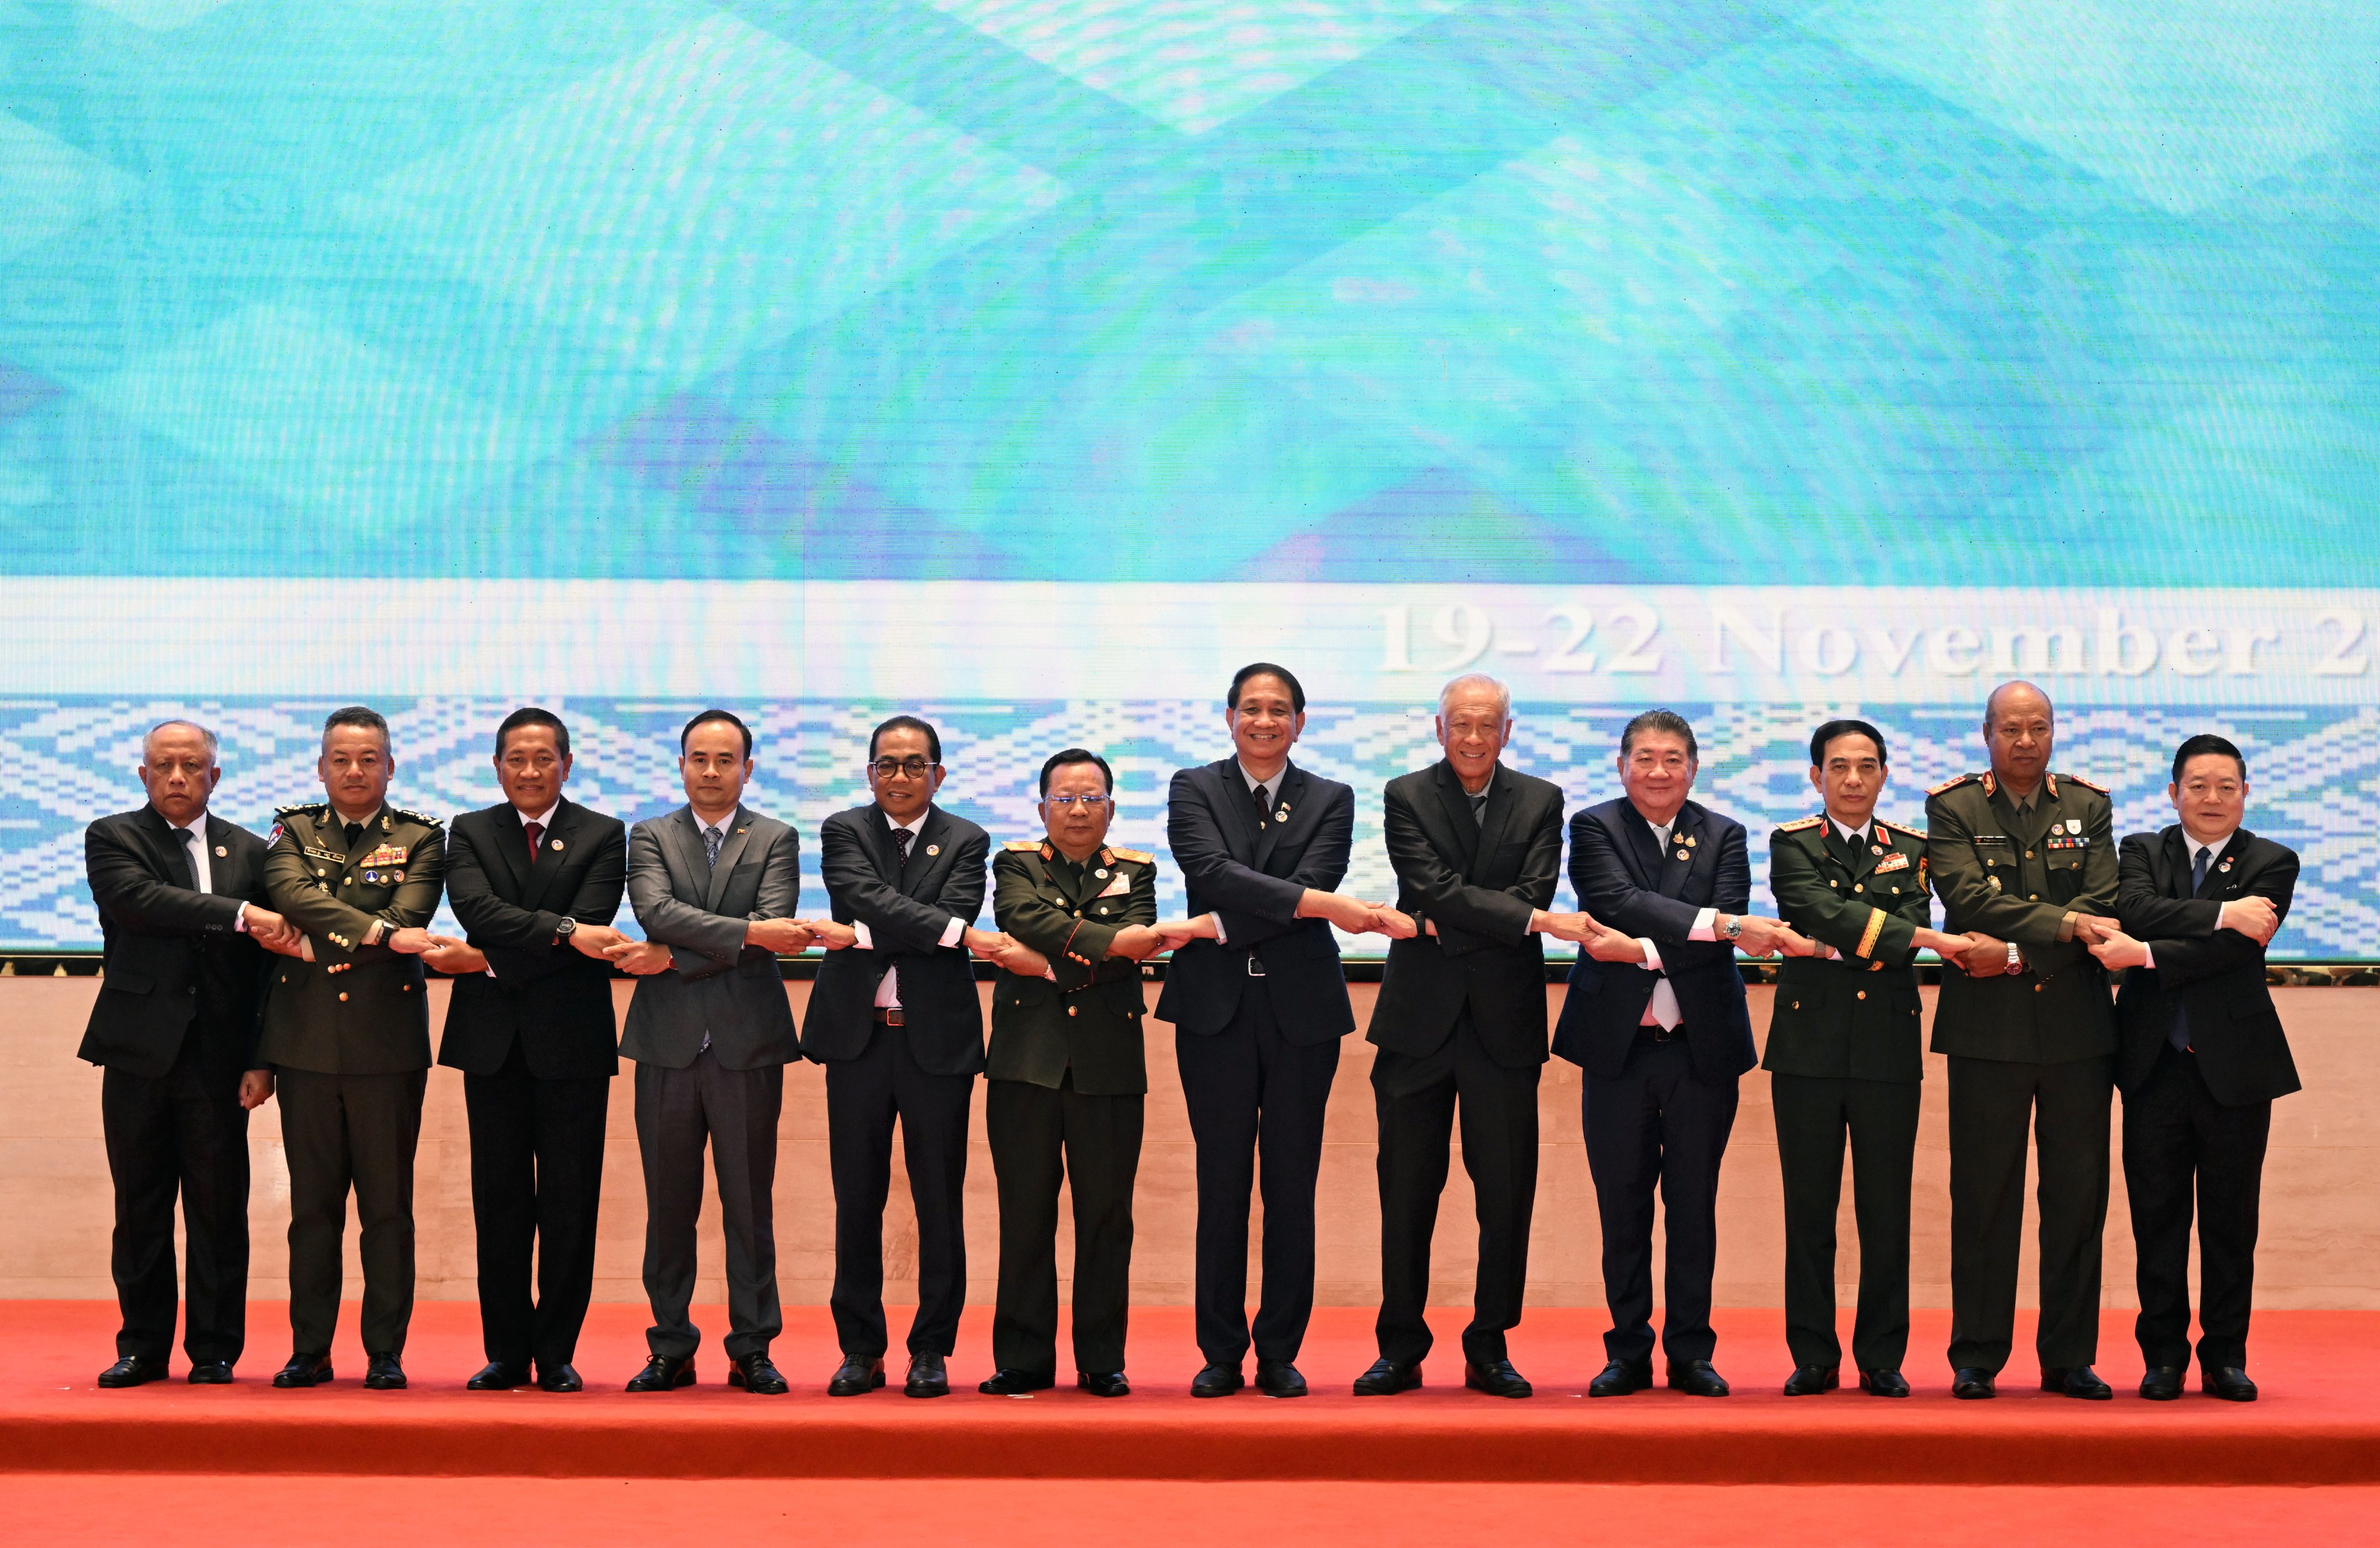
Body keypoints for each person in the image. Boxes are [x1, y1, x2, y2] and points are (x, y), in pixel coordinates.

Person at [1155, 662, 1410, 1399]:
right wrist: (1315, 905)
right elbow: (1212, 869)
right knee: (1222, 1182)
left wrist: (1213, 923)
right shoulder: (1193, 787)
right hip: (1213, 1013)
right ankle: (1220, 1352)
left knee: (1292, 1185)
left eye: (1279, 710)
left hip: (1302, 1014)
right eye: (1251, 709)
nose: (1264, 721)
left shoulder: (1331, 798)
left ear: (1300, 722)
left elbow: (1302, 880)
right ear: (1228, 716)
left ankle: (1278, 1351)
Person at [1558, 709, 1811, 1399]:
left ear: (1693, 768)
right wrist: (1710, 927)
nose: (1658, 771)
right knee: (1623, 1205)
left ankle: (1691, 1351)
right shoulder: (1592, 827)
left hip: (1700, 1046)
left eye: (1673, 759)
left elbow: (1712, 928)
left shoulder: (1723, 833)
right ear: (1621, 766)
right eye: (1644, 758)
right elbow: (1612, 899)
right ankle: (1627, 1352)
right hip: (1617, 1046)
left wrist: (1638, 946)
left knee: (1694, 1204)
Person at [1357, 673, 1585, 1400]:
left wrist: (1440, 923)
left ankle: (1490, 1344)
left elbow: (1536, 896)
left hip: (1504, 1025)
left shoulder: (1543, 800)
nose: (1474, 738)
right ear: (1439, 728)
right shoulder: (1406, 794)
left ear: (1508, 731)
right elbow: (1428, 884)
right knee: (1405, 1193)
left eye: (1488, 725)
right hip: (1417, 1024)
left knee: (1506, 1194)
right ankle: (1399, 1346)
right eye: (1461, 724)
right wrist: (1495, 920)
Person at [81, 720, 299, 1386]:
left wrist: (264, 1059)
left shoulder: (251, 851)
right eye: (164, 766)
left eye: (191, 766)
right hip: (139, 1053)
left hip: (220, 1059)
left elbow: (266, 974)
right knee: (141, 1207)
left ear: (215, 775)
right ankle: (142, 1347)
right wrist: (241, 914)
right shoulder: (115, 836)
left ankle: (214, 1350)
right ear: (143, 775)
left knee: (217, 1209)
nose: (178, 777)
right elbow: (140, 903)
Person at [421, 707, 629, 1394]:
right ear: (498, 767)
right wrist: (564, 932)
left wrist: (488, 961)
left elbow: (593, 929)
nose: (531, 771)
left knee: (572, 1202)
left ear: (566, 765)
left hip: (571, 1041)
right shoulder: (470, 830)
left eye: (544, 759)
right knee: (500, 1201)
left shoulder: (602, 833)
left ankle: (557, 1351)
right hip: (492, 1046)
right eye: (517, 759)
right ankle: (507, 1350)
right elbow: (477, 913)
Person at [2085, 734, 2297, 1402]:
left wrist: (2145, 956)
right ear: (2172, 792)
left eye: (2225, 786)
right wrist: (2220, 913)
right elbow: (2137, 909)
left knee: (2231, 1221)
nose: (2211, 798)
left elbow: (2234, 952)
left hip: (2236, 1068)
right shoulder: (2142, 851)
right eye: (2197, 786)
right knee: (2157, 1216)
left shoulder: (2272, 861)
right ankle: (2164, 1358)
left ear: (2244, 793)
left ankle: (2225, 1356)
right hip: (2152, 1064)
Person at [1924, 680, 2120, 1400]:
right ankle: (1977, 1354)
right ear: (1986, 734)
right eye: (2011, 728)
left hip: (2076, 1032)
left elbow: (2105, 900)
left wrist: (2019, 948)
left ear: (2053, 732)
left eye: (2038, 727)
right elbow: (1965, 898)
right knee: (1983, 1195)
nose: (2026, 740)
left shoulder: (2087, 806)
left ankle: (2069, 1356)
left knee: (2076, 1197)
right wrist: (2065, 926)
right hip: (1987, 1032)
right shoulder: (1953, 807)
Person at [1764, 719, 1971, 1398]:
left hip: (1886, 1047)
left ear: (1884, 775)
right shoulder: (1790, 843)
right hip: (1807, 1050)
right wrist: (1909, 935)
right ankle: (1813, 1355)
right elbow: (1812, 908)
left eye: (1866, 766)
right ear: (1816, 775)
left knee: (1886, 1211)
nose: (1852, 779)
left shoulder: (1913, 848)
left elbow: (1892, 941)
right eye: (1838, 767)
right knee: (1809, 1209)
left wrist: (1833, 942)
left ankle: (1882, 1355)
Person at [799, 715, 1002, 1400]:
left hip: (935, 1044)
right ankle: (860, 1348)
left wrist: (861, 935)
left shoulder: (967, 839)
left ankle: (931, 1349)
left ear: (937, 775)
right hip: (856, 1043)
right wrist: (945, 931)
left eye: (915, 765)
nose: (899, 776)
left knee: (938, 1200)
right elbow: (880, 902)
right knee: (856, 1199)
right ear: (869, 774)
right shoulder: (843, 830)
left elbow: (944, 907)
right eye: (887, 765)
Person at [609, 709, 811, 1395]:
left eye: (726, 760)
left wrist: (675, 955)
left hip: (746, 1042)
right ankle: (670, 1345)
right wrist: (742, 934)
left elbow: (779, 930)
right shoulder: (651, 835)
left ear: (748, 769)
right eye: (699, 758)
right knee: (669, 1205)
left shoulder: (777, 838)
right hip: (665, 1044)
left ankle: (752, 1346)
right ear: (682, 765)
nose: (711, 771)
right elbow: (654, 914)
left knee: (748, 1203)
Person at [257, 705, 447, 1391]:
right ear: (321, 767)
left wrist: (316, 940)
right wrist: (372, 934)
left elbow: (412, 917)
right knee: (313, 1210)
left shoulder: (424, 837)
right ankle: (310, 1348)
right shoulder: (293, 829)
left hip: (386, 1049)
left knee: (387, 1210)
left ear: (390, 766)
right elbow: (289, 891)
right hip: (305, 1046)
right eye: (341, 759)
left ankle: (384, 1351)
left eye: (369, 758)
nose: (355, 770)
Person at [973, 748, 1162, 1397]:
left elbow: (1140, 941)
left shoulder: (1137, 871)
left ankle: (1101, 1359)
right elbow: (1018, 919)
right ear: (1042, 807)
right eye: (1064, 798)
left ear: (1111, 807)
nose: (1077, 810)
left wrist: (1050, 958)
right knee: (1024, 1215)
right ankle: (1023, 1359)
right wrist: (1103, 947)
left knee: (1106, 1218)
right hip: (1027, 1064)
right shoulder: (1016, 863)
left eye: (1090, 798)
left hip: (1108, 1066)